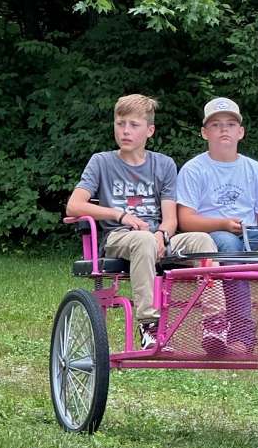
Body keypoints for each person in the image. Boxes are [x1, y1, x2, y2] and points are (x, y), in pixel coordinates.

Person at [66, 94, 217, 350]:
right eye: (120, 123)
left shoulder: (164, 165)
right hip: (119, 237)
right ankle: (149, 325)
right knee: (144, 240)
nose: (125, 131)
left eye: (133, 125)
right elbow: (74, 205)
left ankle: (215, 324)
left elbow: (170, 219)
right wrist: (119, 214)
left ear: (150, 130)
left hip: (156, 236)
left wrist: (162, 236)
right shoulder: (101, 162)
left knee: (202, 240)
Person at [176, 97, 258, 350]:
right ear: (204, 132)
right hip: (212, 236)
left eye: (231, 124)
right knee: (229, 247)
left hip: (251, 236)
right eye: (216, 125)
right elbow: (185, 220)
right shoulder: (193, 169)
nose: (224, 129)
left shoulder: (254, 170)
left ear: (240, 132)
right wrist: (221, 223)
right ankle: (241, 332)